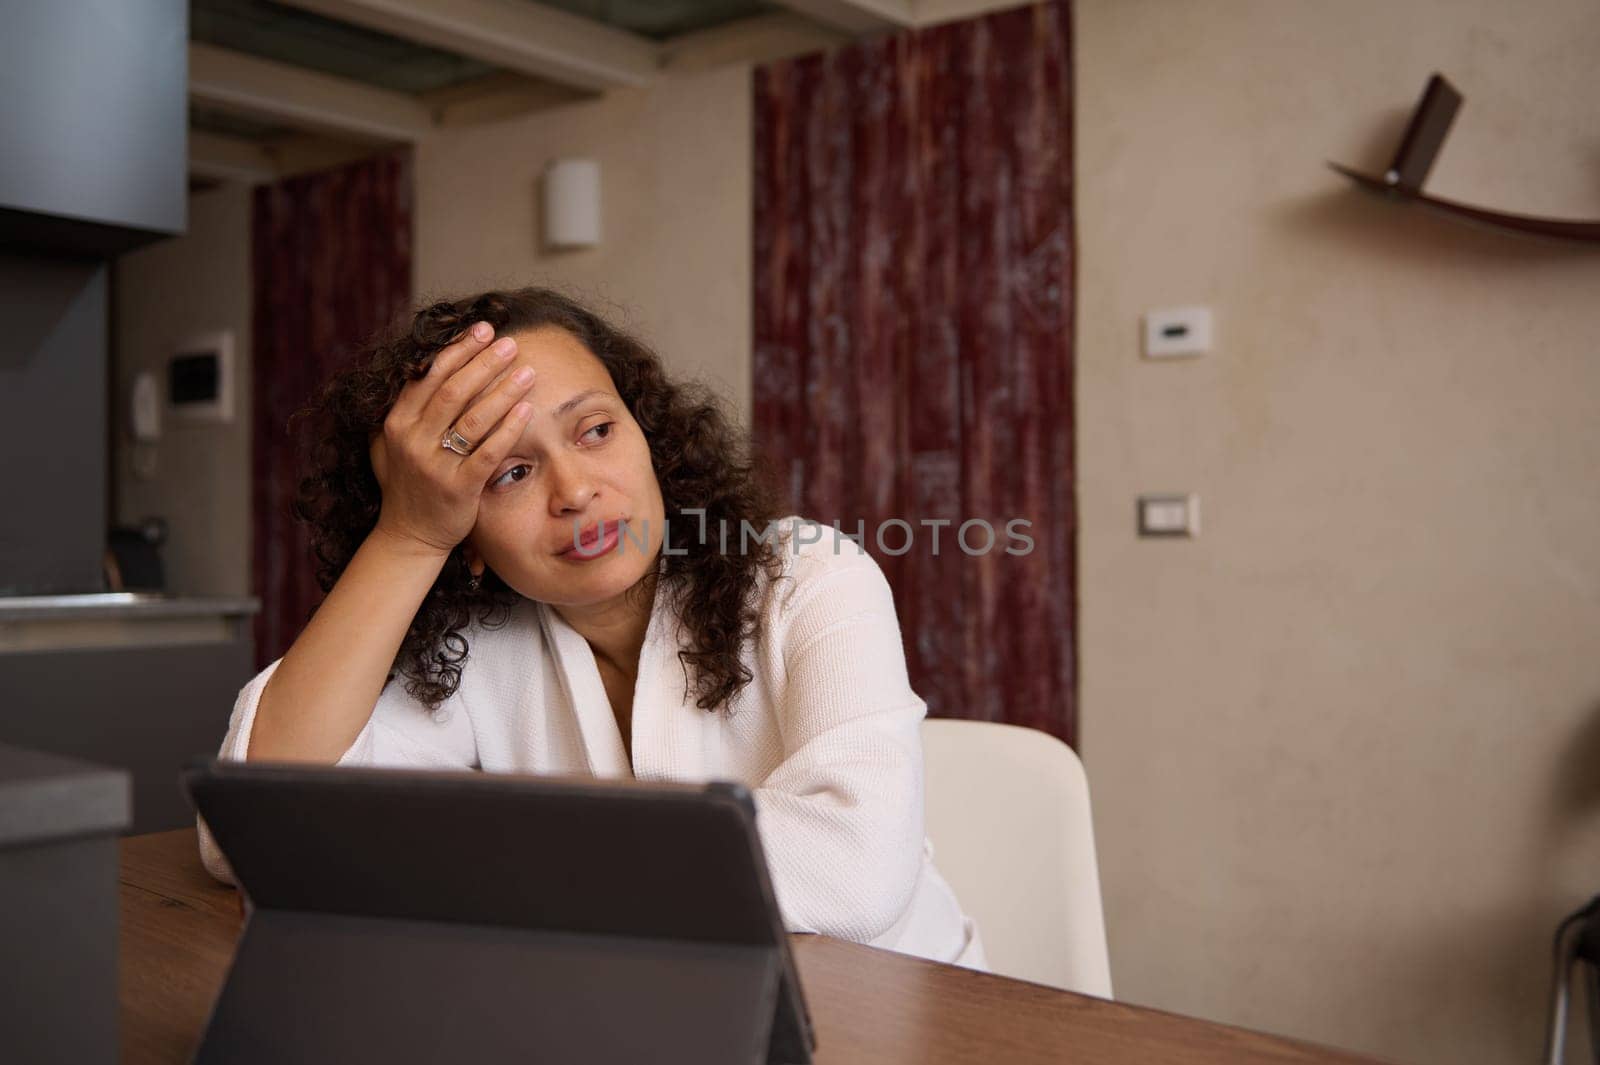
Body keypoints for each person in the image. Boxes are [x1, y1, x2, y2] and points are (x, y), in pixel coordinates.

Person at [200, 286, 986, 969]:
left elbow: (853, 870)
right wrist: (409, 536)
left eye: (595, 430)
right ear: (462, 530)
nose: (575, 490)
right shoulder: (477, 644)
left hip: (905, 1015)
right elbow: (258, 828)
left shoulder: (810, 576)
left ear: (650, 438)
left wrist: (490, 840)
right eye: (509, 472)